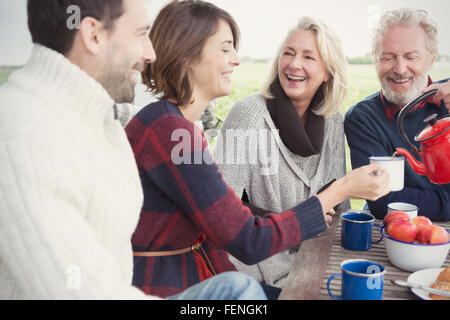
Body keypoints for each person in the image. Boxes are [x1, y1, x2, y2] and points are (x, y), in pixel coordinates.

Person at [0, 0, 267, 300]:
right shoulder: (23, 134)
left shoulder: (99, 120)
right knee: (242, 297)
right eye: (140, 34)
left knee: (240, 291)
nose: (150, 53)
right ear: (93, 35)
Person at [126, 0, 390, 299]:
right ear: (188, 54)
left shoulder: (174, 126)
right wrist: (342, 188)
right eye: (225, 49)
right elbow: (247, 240)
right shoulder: (171, 132)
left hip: (200, 275)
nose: (237, 60)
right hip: (172, 288)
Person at [214, 16, 352, 288]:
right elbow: (221, 210)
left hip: (316, 265)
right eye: (288, 53)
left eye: (308, 57)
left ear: (327, 71)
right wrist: (301, 221)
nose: (294, 64)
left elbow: (340, 204)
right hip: (257, 273)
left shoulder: (333, 118)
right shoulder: (248, 115)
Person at [344, 8, 450, 222]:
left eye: (411, 56)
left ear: (431, 59)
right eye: (388, 57)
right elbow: (383, 201)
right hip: (397, 234)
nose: (400, 69)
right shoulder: (364, 118)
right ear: (375, 60)